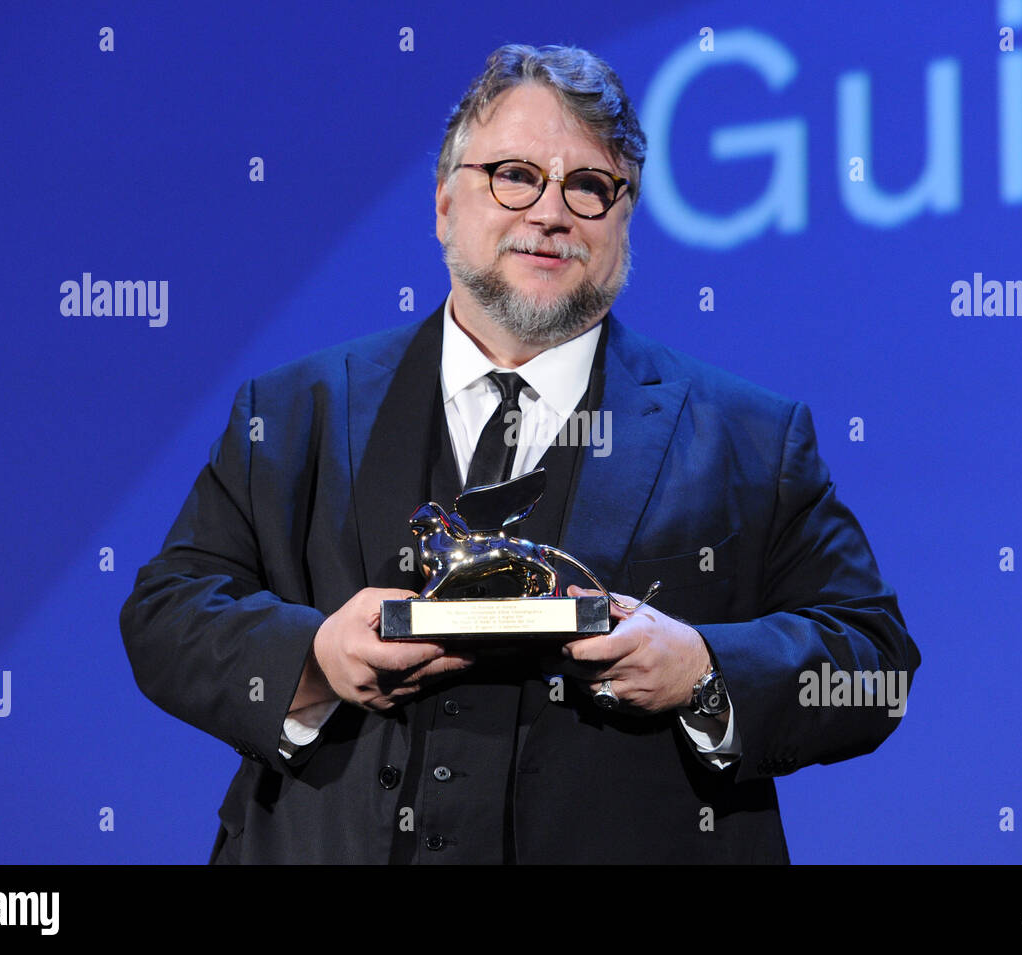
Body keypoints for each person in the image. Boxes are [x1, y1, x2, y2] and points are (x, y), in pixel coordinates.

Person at [119, 44, 919, 864]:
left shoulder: (749, 435)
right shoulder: (292, 414)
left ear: (624, 220)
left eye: (589, 186)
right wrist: (314, 658)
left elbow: (875, 663)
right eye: (514, 174)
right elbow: (166, 613)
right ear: (442, 204)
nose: (551, 212)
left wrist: (703, 670)